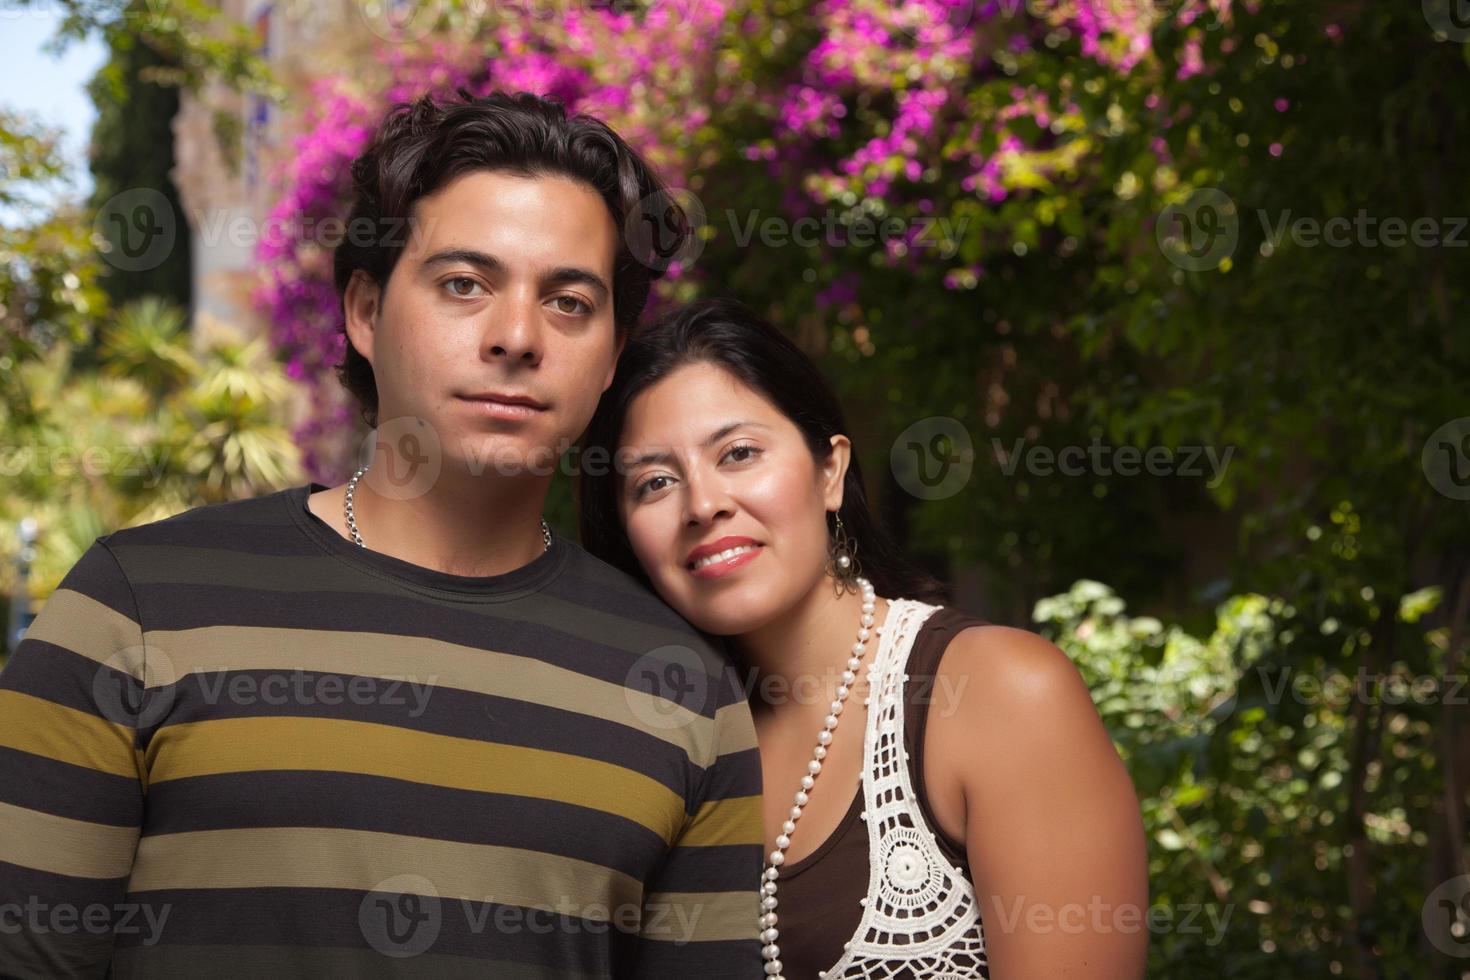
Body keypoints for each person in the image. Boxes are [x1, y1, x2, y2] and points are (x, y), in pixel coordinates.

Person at [0, 93, 762, 978]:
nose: (516, 336)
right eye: (464, 285)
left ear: (610, 354)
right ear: (363, 313)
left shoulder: (685, 694)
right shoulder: (133, 609)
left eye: (568, 302)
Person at [578, 297, 1151, 979]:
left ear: (830, 471)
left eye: (738, 453)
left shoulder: (1000, 692)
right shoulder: (654, 732)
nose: (703, 504)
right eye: (656, 482)